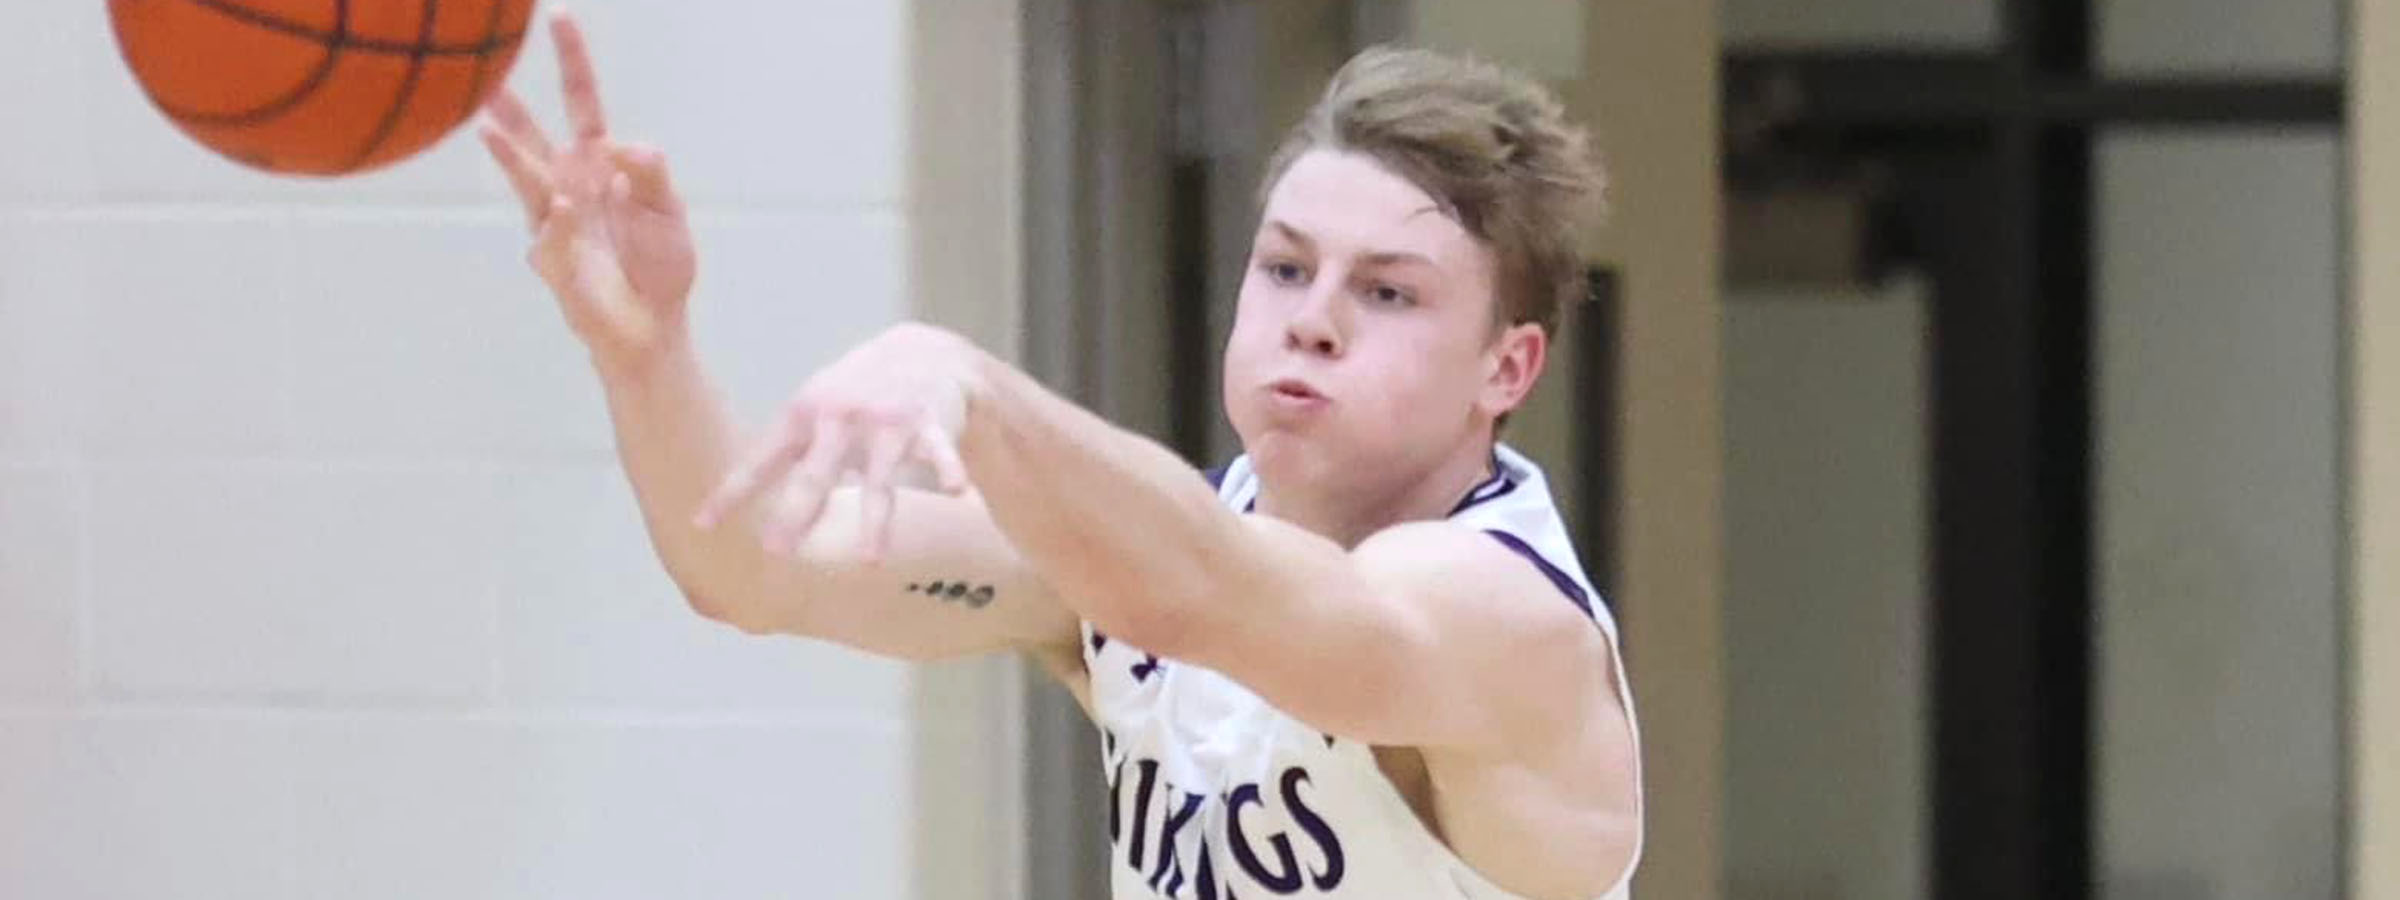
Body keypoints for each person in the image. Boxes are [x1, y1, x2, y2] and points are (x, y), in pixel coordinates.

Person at [479, 9, 1640, 899]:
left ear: (1508, 369)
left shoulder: (1504, 616)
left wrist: (975, 390)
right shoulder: (1146, 565)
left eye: (1387, 292)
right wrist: (646, 353)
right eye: (1286, 267)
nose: (1314, 317)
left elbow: (1209, 598)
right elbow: (747, 567)